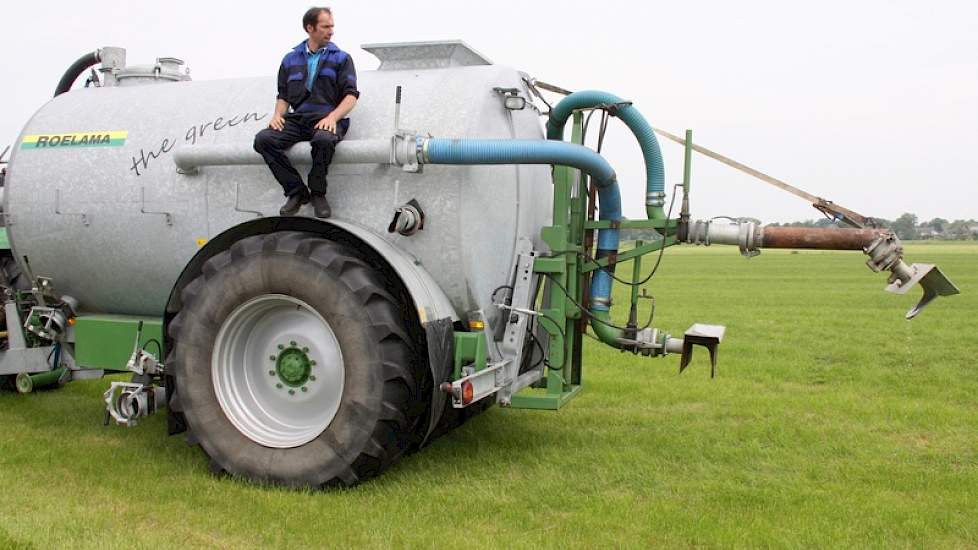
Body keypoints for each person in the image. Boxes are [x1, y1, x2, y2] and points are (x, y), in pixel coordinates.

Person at [253, 7, 359, 218]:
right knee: (263, 140)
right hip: (298, 119)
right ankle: (296, 192)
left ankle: (318, 192)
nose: (331, 31)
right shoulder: (290, 60)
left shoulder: (341, 58)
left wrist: (332, 118)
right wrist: (277, 116)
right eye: (326, 27)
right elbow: (283, 95)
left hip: (326, 117)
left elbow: (351, 96)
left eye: (332, 26)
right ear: (309, 28)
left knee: (323, 140)